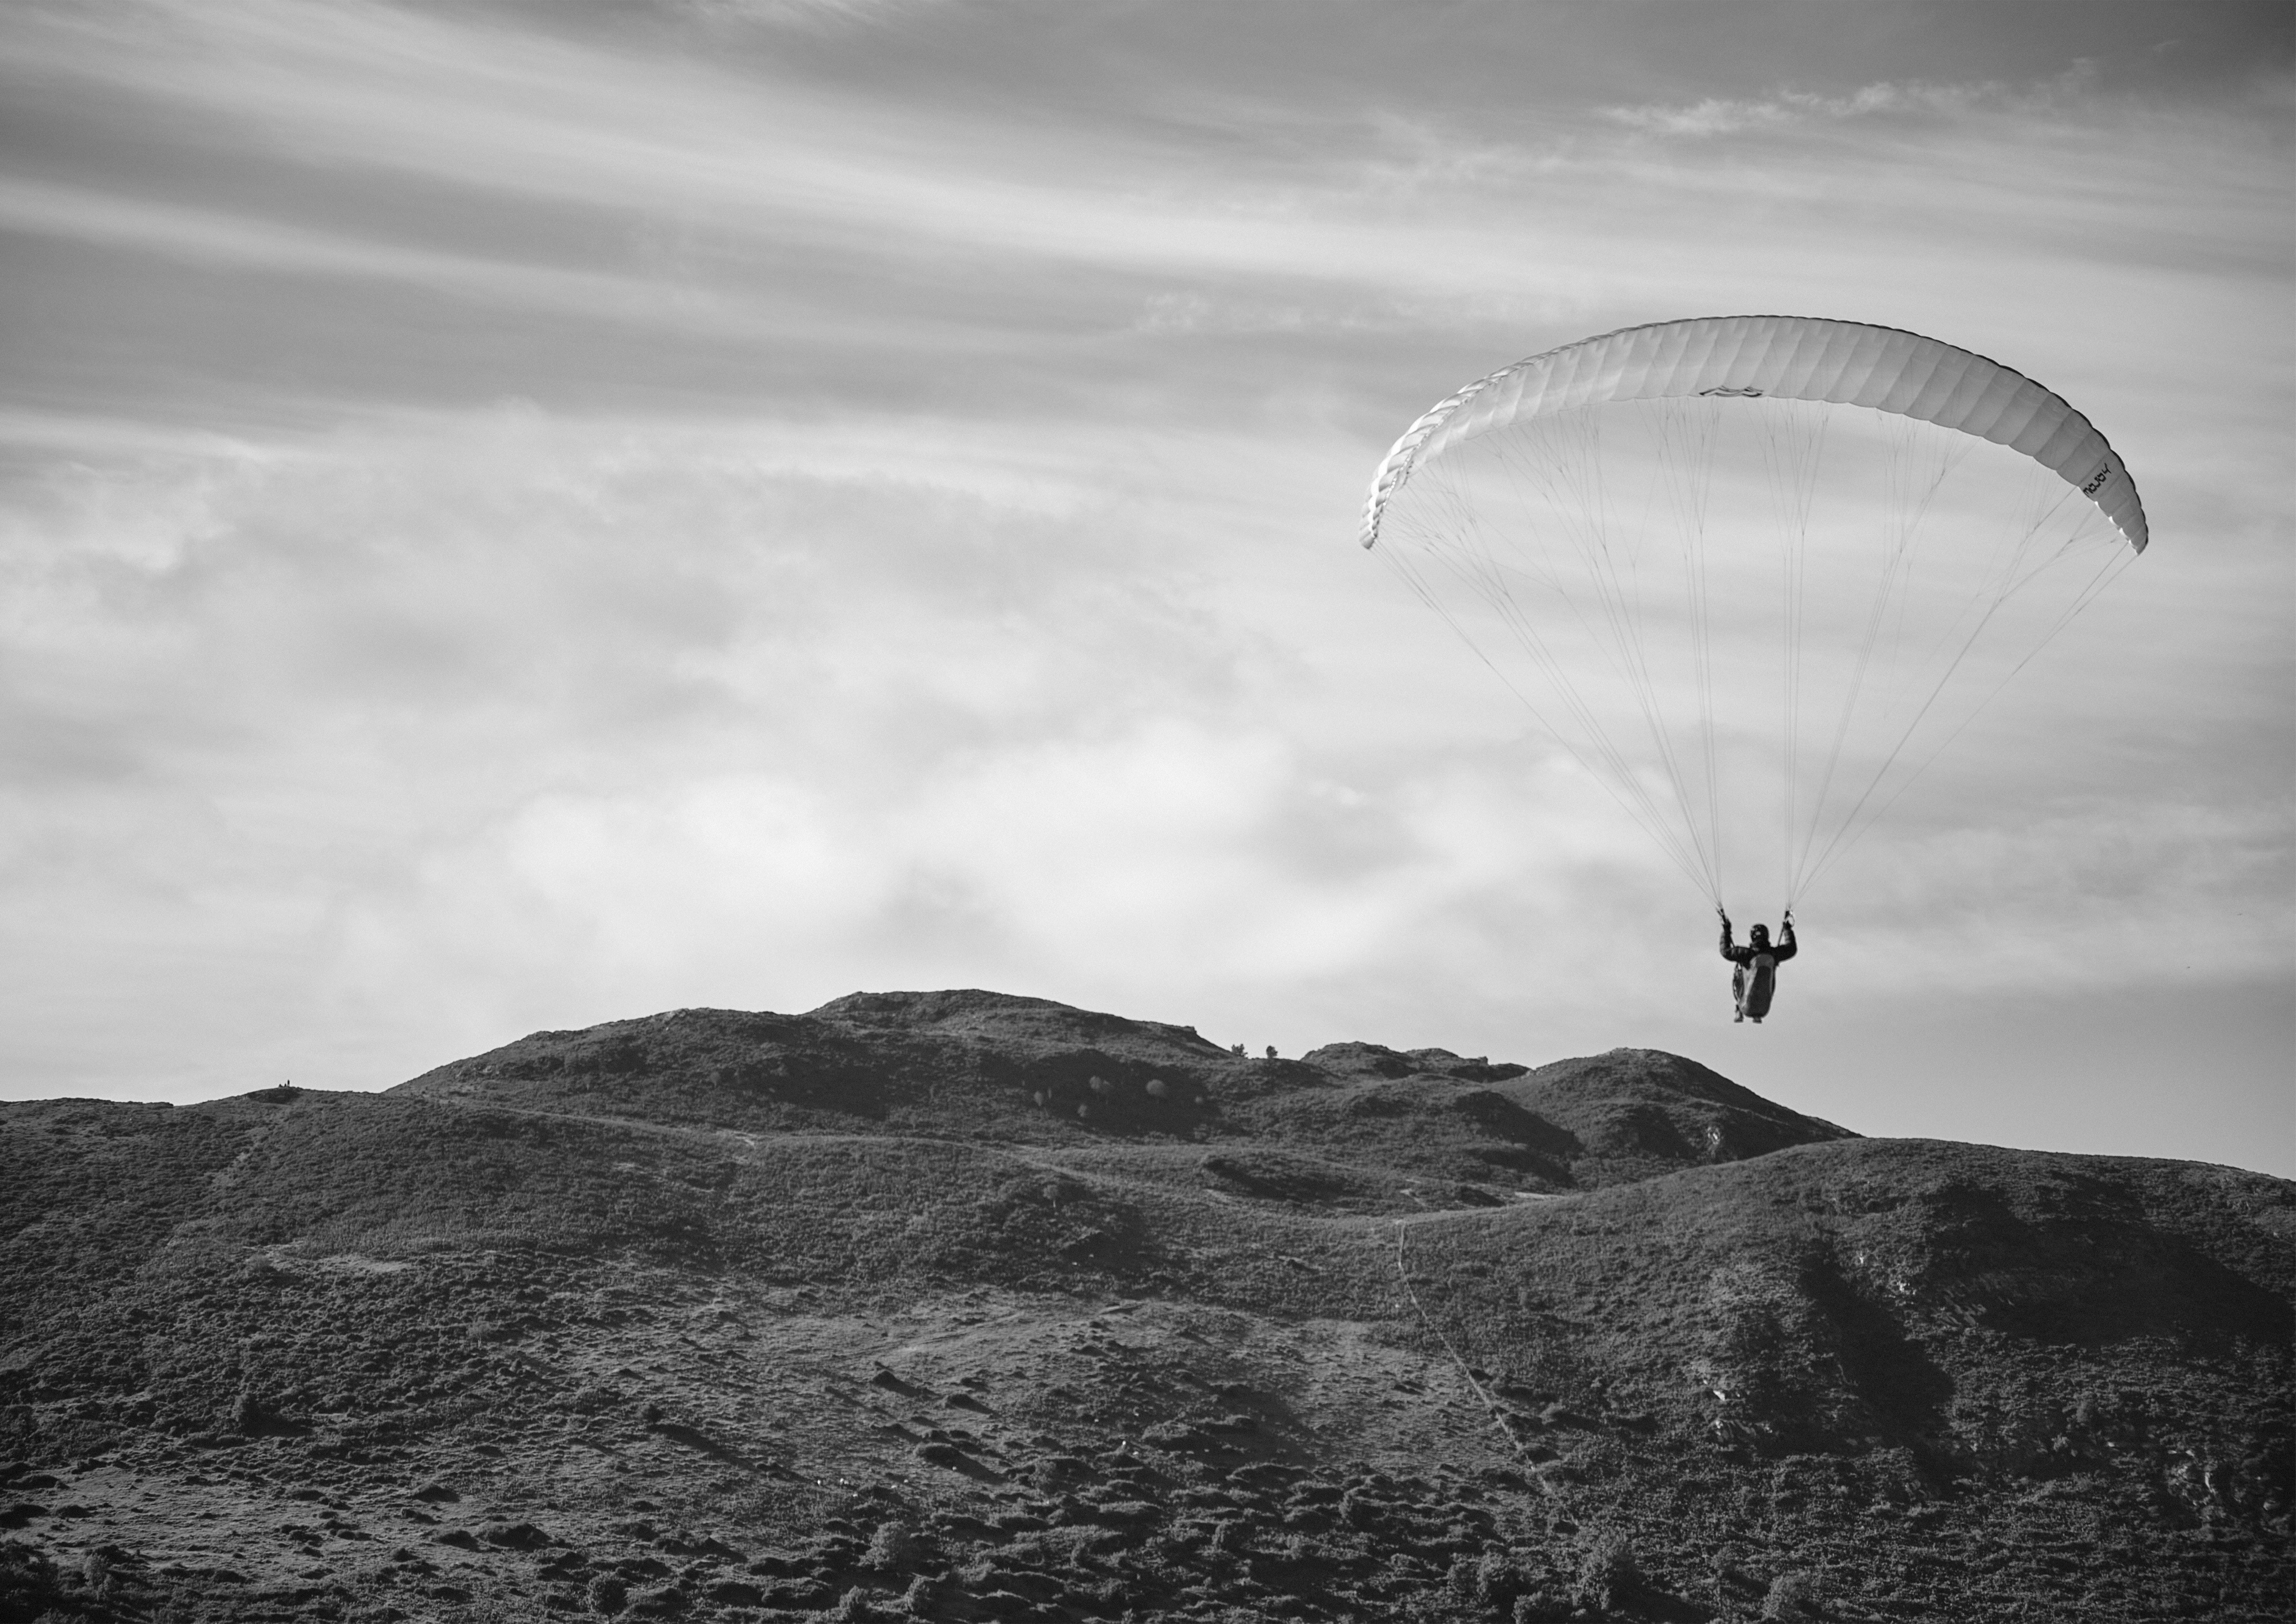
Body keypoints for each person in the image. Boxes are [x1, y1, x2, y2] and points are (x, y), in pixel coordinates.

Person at [1718, 908, 1797, 1023]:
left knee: (1740, 972)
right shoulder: (1774, 954)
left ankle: (1739, 1009)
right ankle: (1756, 1016)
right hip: (1764, 1009)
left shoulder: (1747, 955)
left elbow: (1725, 951)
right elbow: (1791, 949)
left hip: (1746, 1006)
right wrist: (1787, 929)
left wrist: (1726, 931)